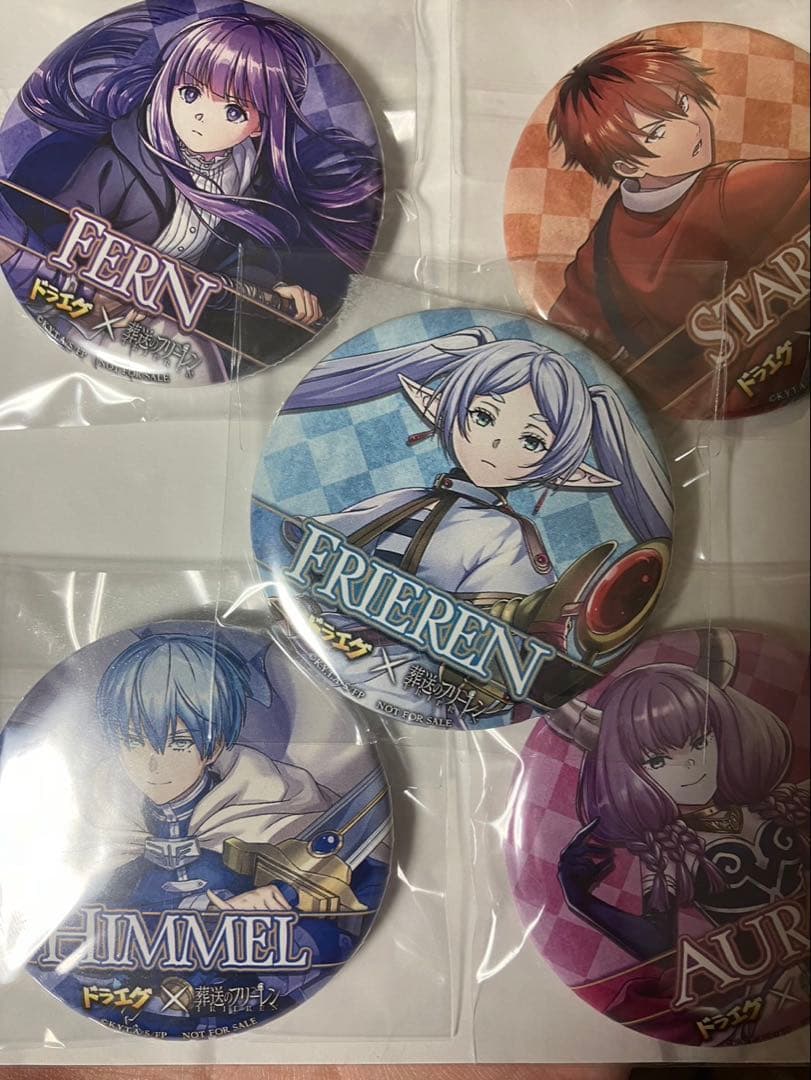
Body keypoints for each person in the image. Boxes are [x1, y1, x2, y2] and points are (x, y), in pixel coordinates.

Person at [254, 325, 672, 724]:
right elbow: (295, 540)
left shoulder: (507, 536)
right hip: (325, 641)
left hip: (406, 679)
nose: (495, 444)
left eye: (531, 440)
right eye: (483, 416)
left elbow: (509, 631)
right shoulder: (406, 499)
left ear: (554, 461)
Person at [0, 8, 382, 375]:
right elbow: (62, 232)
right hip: (86, 307)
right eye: (189, 93)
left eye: (234, 111)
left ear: (259, 127)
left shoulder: (247, 175)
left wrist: (271, 289)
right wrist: (94, 285)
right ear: (166, 85)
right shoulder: (119, 162)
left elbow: (232, 255)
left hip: (172, 317)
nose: (201, 115)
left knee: (208, 364)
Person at [546, 34, 809, 415]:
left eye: (684, 103)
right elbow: (563, 329)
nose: (693, 127)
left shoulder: (611, 232)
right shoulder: (722, 190)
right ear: (627, 166)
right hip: (718, 399)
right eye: (657, 132)